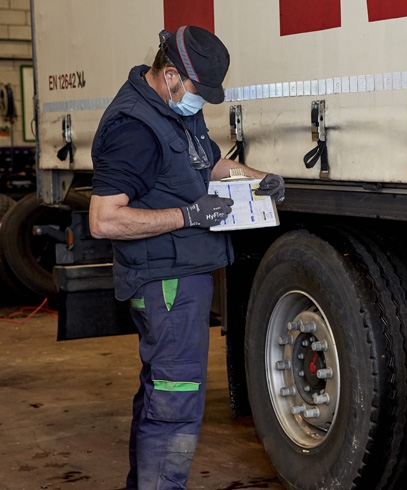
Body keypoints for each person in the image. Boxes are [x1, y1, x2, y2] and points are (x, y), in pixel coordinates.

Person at [88, 26, 284, 490]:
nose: (203, 104)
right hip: (165, 284)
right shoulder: (134, 127)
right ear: (171, 75)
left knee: (162, 392)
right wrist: (189, 214)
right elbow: (104, 220)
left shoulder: (172, 109)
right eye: (199, 93)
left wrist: (259, 179)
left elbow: (208, 163)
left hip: (181, 279)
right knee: (176, 403)